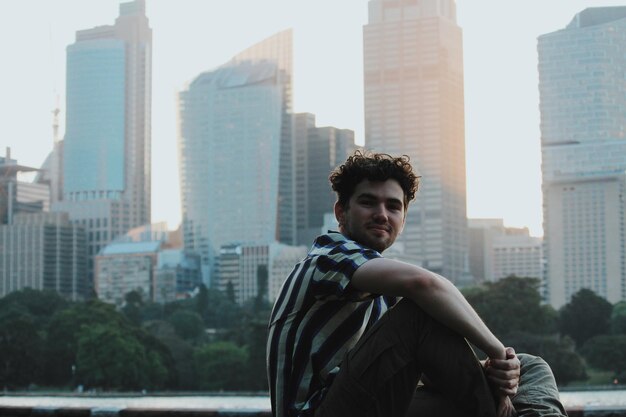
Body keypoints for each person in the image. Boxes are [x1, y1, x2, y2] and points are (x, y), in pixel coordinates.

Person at [267, 151, 567, 417]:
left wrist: (497, 375)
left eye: (393, 206)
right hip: (321, 410)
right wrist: (499, 354)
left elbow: (428, 370)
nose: (382, 214)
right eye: (368, 202)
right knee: (420, 312)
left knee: (528, 368)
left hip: (372, 404)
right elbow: (424, 285)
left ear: (403, 218)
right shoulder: (328, 257)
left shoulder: (382, 294)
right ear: (341, 212)